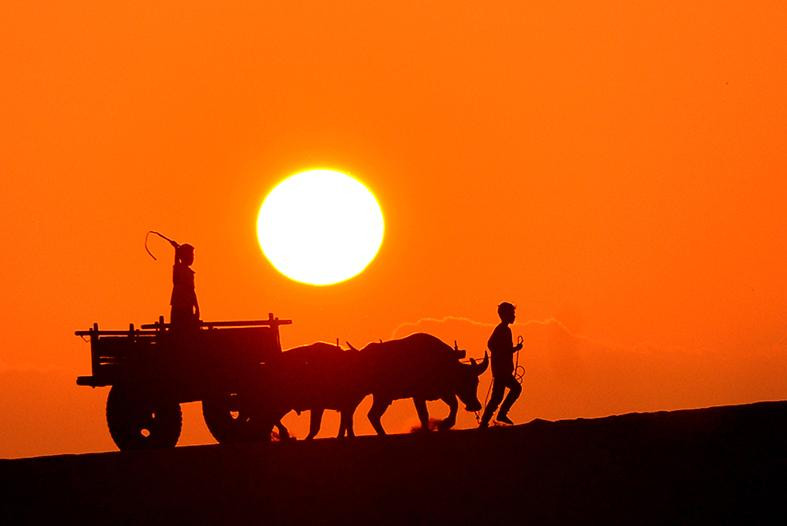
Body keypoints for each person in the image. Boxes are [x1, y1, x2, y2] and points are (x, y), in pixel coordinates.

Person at [479, 302, 523, 428]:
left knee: (497, 397)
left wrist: (512, 349)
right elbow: (491, 344)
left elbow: (497, 346)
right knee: (515, 389)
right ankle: (501, 414)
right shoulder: (502, 330)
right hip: (501, 371)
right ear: (505, 315)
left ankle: (485, 422)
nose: (514, 316)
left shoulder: (504, 329)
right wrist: (510, 350)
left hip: (502, 370)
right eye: (512, 313)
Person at [170, 242, 200, 328]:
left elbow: (192, 291)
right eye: (191, 254)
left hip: (188, 306)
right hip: (179, 307)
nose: (193, 257)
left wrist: (197, 307)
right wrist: (176, 251)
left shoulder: (190, 273)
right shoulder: (179, 269)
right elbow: (177, 265)